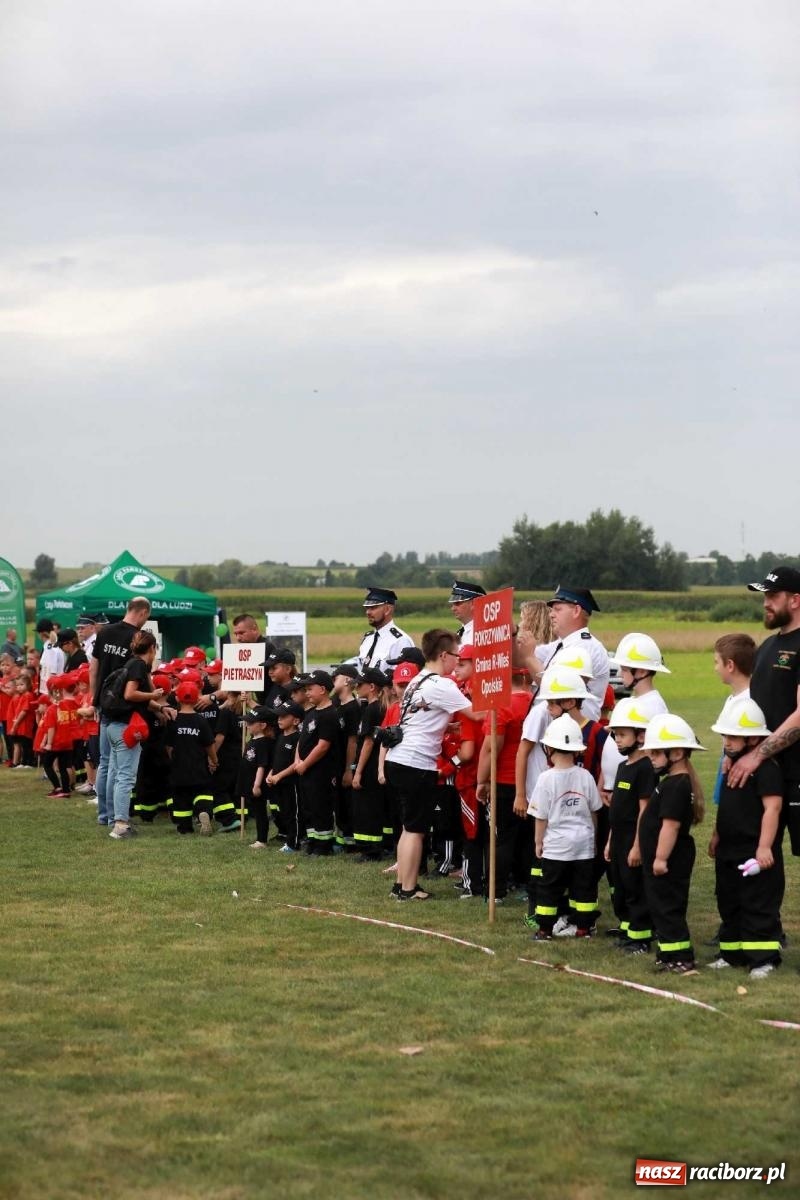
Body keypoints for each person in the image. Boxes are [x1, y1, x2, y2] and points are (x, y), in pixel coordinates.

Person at [384, 629, 476, 901]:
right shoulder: (443, 685)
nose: (457, 662)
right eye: (456, 656)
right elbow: (477, 713)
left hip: (397, 758)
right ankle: (409, 889)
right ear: (444, 655)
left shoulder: (417, 681)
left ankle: (401, 884)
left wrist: (448, 726)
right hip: (417, 762)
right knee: (416, 830)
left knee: (407, 826)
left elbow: (423, 719)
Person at [707, 697, 783, 979]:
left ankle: (764, 959)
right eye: (725, 736)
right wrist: (717, 834)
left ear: (752, 739)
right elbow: (726, 805)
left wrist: (764, 847)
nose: (726, 742)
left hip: (754, 851)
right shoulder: (730, 765)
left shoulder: (767, 769)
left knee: (757, 904)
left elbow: (772, 808)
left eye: (732, 737)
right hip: (728, 848)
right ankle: (731, 954)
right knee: (729, 902)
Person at [728, 568, 800, 858]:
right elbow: (753, 708)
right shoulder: (767, 647)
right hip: (764, 775)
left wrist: (756, 755)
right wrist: (735, 751)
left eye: (772, 596)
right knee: (761, 855)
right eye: (765, 596)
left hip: (795, 774)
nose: (765, 603)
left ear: (795, 600)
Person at [639, 713, 705, 975]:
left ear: (676, 753)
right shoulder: (671, 782)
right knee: (660, 907)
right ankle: (667, 954)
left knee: (668, 908)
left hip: (669, 861)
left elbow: (671, 826)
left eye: (656, 752)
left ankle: (681, 958)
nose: (651, 757)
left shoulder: (677, 786)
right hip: (661, 860)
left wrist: (660, 858)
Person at [528, 713, 603, 939]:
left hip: (556, 846)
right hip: (583, 845)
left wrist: (538, 842)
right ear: (577, 750)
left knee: (549, 888)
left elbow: (541, 816)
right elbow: (594, 810)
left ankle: (544, 930)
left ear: (549, 748)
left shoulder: (546, 778)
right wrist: (593, 838)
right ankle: (583, 927)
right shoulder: (586, 776)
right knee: (583, 888)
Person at [90, 597, 154, 828]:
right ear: (143, 612)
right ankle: (115, 818)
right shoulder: (137, 638)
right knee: (119, 769)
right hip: (126, 710)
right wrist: (155, 700)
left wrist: (94, 699)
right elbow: (140, 677)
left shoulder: (105, 632)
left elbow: (94, 667)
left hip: (104, 703)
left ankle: (104, 815)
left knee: (105, 763)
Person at [103, 630, 167, 841]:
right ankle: (121, 825)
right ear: (152, 648)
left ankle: (114, 818)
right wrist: (154, 694)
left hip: (114, 726)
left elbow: (137, 699)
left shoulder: (130, 664)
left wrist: (159, 707)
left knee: (116, 774)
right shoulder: (138, 665)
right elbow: (130, 694)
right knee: (125, 777)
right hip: (127, 728)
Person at [603, 697, 656, 954]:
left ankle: (641, 938)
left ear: (641, 736)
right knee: (621, 887)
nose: (617, 740)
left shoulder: (646, 768)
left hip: (634, 839)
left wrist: (637, 846)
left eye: (623, 735)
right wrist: (610, 841)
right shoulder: (623, 766)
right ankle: (627, 929)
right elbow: (617, 809)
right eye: (615, 734)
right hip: (619, 839)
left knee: (635, 888)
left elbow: (644, 810)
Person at [517, 585, 610, 721]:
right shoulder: (562, 644)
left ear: (576, 611)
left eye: (558, 609)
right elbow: (520, 657)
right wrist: (513, 634)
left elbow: (558, 688)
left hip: (574, 729)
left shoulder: (584, 647)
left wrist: (529, 657)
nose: (551, 615)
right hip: (562, 727)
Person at [295, 670, 340, 855]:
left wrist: (305, 764)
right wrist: (297, 759)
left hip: (320, 771)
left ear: (322, 689)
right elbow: (302, 739)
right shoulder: (312, 713)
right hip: (305, 769)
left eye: (309, 689)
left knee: (320, 806)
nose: (307, 693)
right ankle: (313, 840)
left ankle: (323, 844)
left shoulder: (330, 714)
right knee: (309, 806)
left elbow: (322, 746)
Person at [266, 700, 304, 852]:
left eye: (284, 716)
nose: (279, 719)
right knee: (283, 812)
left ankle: (293, 843)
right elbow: (276, 760)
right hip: (278, 782)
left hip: (291, 783)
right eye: (278, 716)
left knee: (292, 813)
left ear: (296, 721)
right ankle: (289, 838)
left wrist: (279, 776)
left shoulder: (298, 738)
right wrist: (271, 774)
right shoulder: (280, 737)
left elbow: (295, 764)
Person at [357, 588, 415, 675]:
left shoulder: (400, 641)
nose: (368, 612)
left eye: (373, 608)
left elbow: (403, 677)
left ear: (387, 609)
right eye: (367, 608)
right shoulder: (367, 638)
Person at [448, 579, 487, 648]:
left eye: (457, 603)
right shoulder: (460, 633)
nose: (453, 609)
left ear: (473, 603)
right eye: (452, 604)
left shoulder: (483, 633)